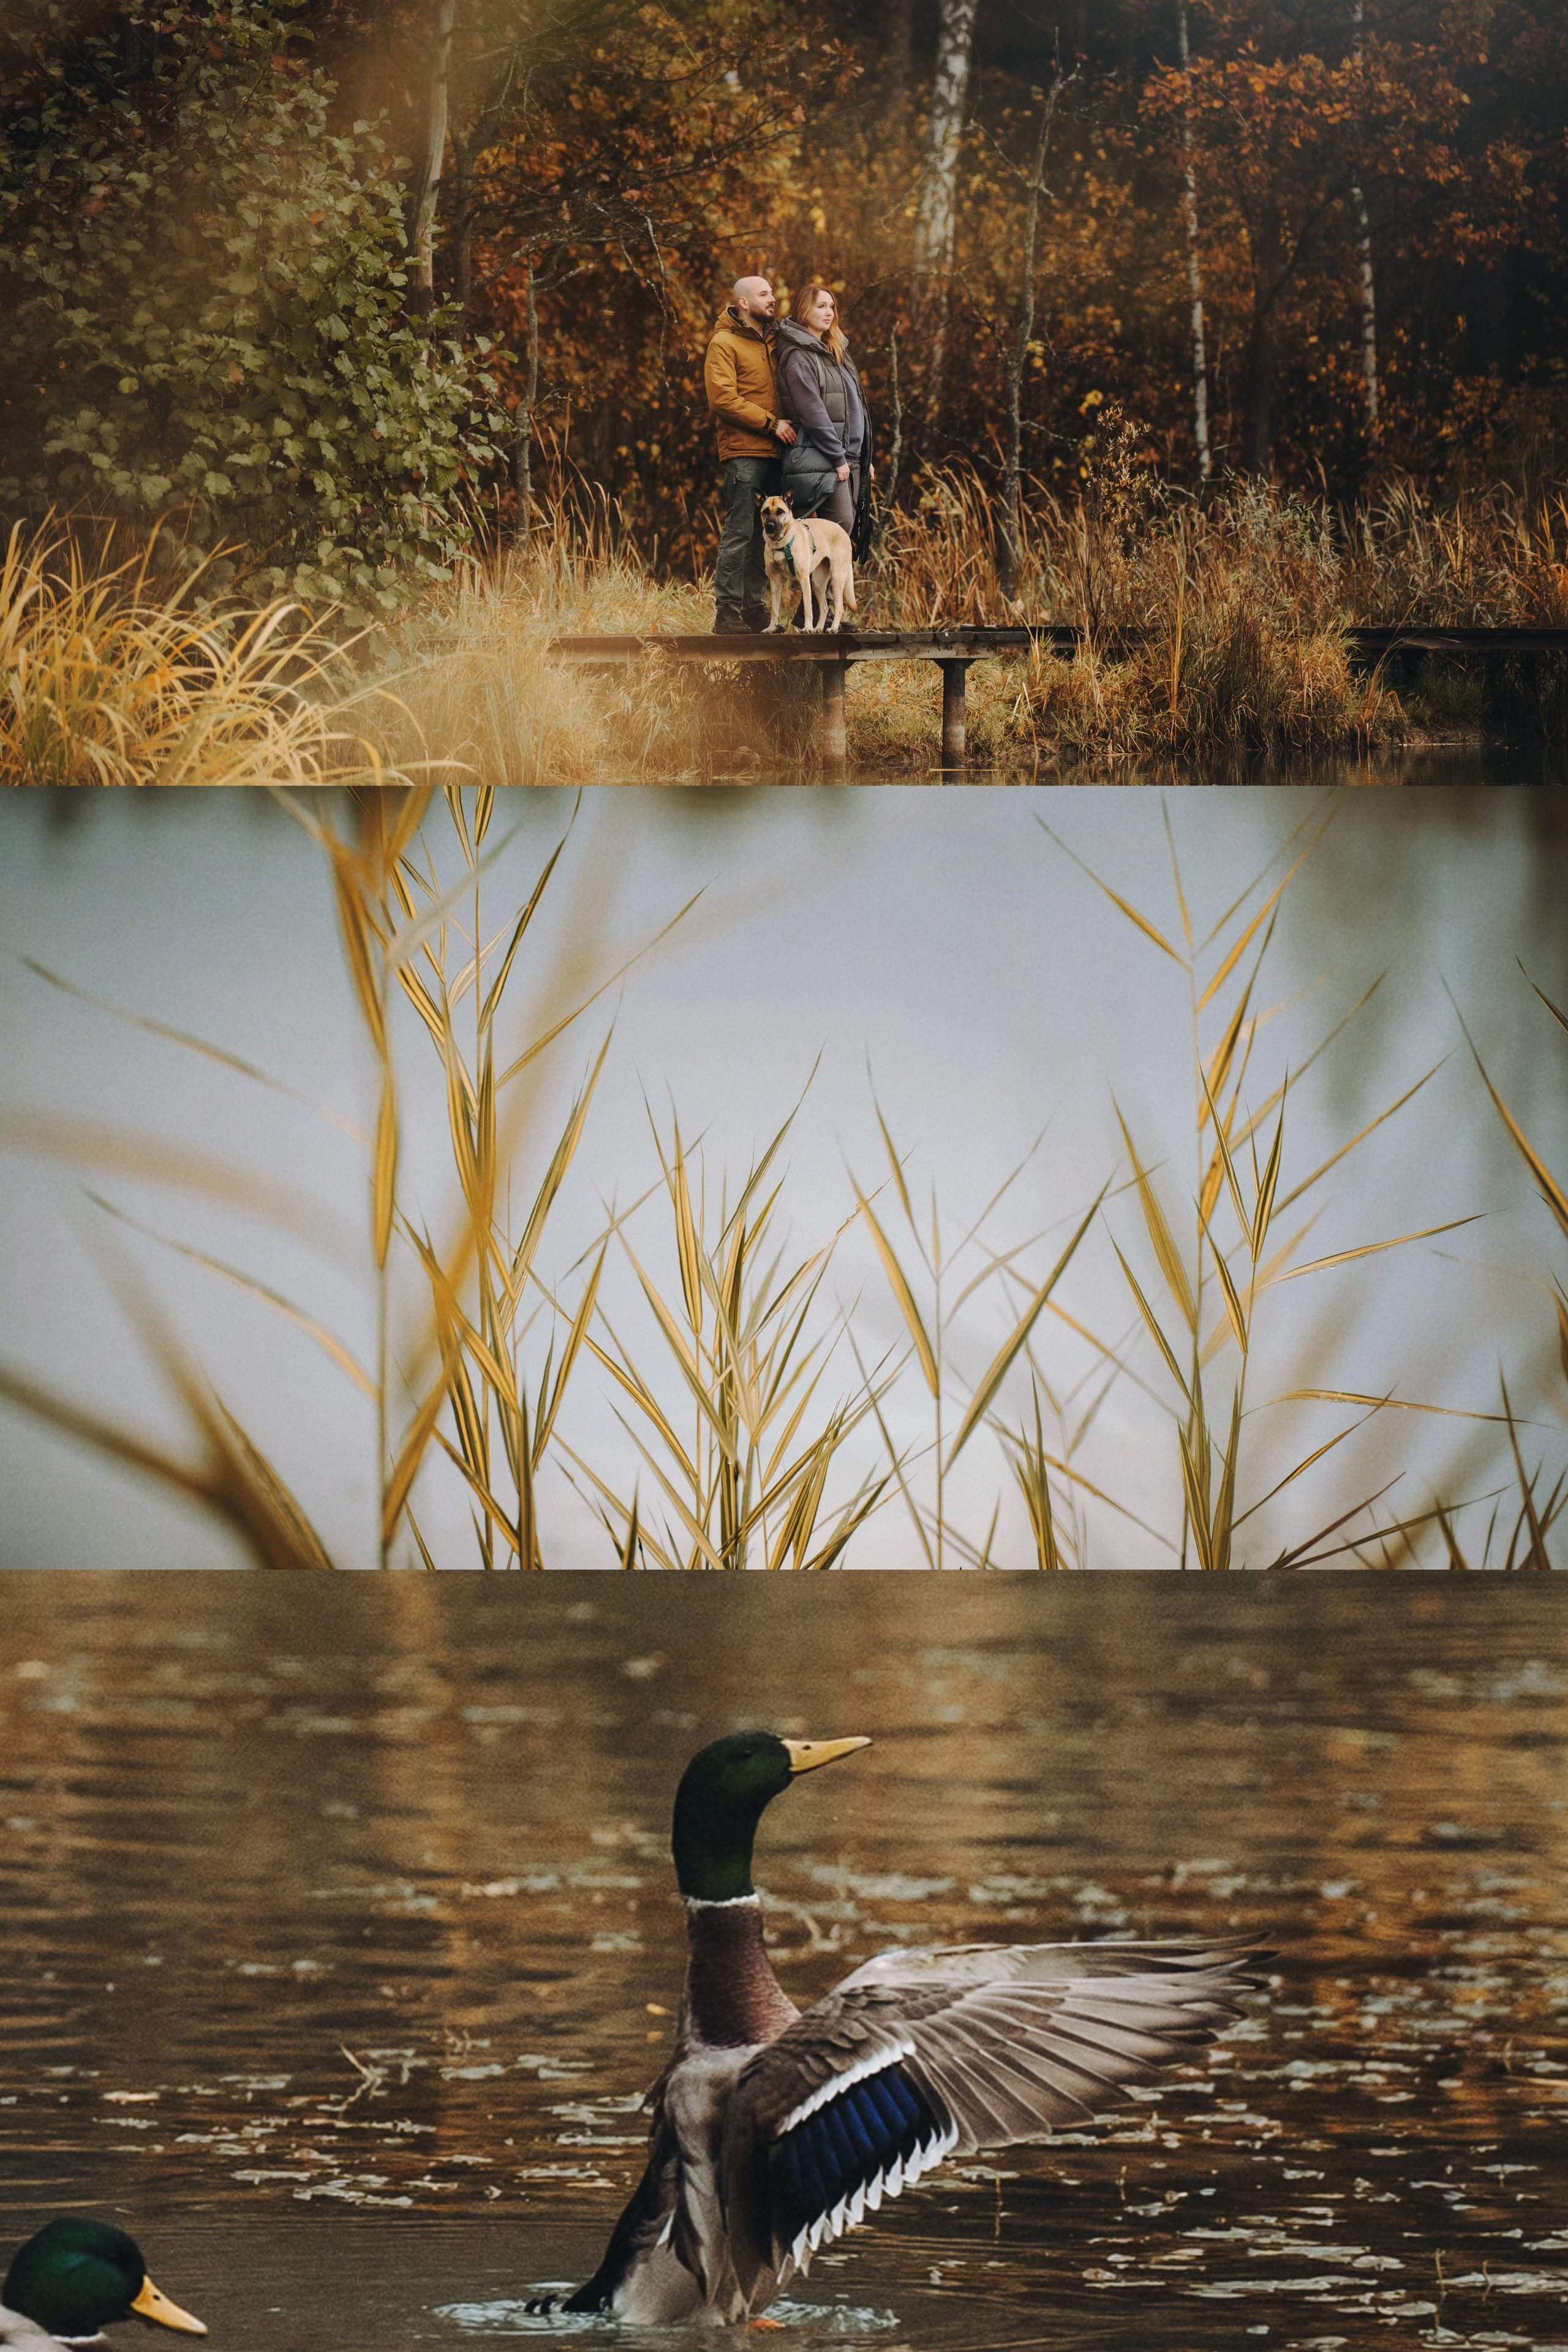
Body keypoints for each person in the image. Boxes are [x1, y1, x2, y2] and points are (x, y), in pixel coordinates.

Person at [703, 275, 798, 635]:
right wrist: (771, 424)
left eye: (773, 292)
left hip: (777, 453)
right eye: (764, 294)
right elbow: (722, 400)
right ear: (744, 302)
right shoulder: (724, 343)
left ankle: (754, 609)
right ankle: (727, 612)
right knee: (741, 531)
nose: (772, 299)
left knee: (766, 534)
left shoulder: (774, 341)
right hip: (744, 452)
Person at [774, 282, 873, 555]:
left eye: (831, 307)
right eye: (821, 306)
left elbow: (854, 408)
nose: (829, 312)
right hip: (822, 458)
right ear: (805, 310)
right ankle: (817, 600)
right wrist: (838, 459)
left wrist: (865, 457)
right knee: (837, 531)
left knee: (844, 533)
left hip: (848, 458)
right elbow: (813, 413)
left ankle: (825, 599)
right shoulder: (799, 356)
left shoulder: (834, 350)